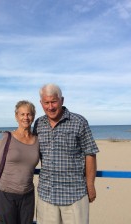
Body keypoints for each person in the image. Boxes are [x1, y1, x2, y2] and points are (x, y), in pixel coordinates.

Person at [33, 83, 99, 224]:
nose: (50, 107)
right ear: (41, 103)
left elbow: (90, 153)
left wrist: (90, 184)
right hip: (46, 195)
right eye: (46, 103)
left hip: (74, 194)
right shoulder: (38, 124)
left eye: (53, 102)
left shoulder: (79, 122)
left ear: (62, 100)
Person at [0, 100, 39, 224]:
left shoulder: (37, 140)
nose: (26, 117)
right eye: (22, 114)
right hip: (6, 195)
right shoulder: (8, 137)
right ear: (16, 117)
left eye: (29, 114)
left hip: (28, 196)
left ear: (33, 117)